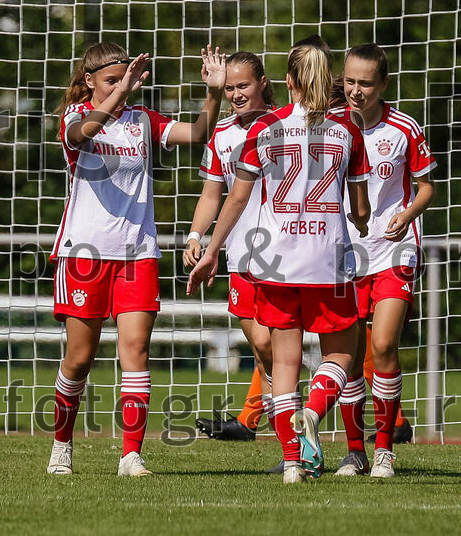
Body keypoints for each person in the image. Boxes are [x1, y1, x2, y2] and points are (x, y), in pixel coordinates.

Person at [188, 35, 371, 483]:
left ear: (287, 81)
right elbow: (361, 208)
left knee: (282, 366)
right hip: (328, 262)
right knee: (342, 355)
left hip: (275, 264)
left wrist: (211, 249)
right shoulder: (348, 131)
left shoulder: (262, 128)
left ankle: (292, 462)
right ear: (328, 79)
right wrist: (361, 221)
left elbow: (236, 198)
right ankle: (315, 411)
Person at [46, 41, 226, 477]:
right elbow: (81, 134)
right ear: (89, 80)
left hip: (137, 254)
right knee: (80, 358)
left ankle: (131, 455)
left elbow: (198, 133)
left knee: (136, 351)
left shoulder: (142, 120)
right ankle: (61, 445)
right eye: (110, 80)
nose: (120, 86)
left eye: (124, 79)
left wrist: (214, 92)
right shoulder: (76, 116)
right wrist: (118, 94)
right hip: (84, 255)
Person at [330, 45, 437, 478]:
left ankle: (384, 450)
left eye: (366, 83)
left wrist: (406, 215)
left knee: (384, 344)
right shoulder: (331, 126)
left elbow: (426, 188)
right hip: (344, 251)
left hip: (395, 248)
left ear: (384, 85)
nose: (356, 91)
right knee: (350, 356)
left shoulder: (404, 128)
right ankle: (354, 451)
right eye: (350, 82)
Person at [183, 52, 279, 463]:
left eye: (243, 86)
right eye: (229, 89)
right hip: (240, 253)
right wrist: (196, 236)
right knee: (261, 346)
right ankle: (288, 430)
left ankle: (298, 433)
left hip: (287, 253)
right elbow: (212, 193)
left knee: (275, 344)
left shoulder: (285, 124)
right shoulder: (221, 133)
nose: (237, 94)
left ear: (262, 83)